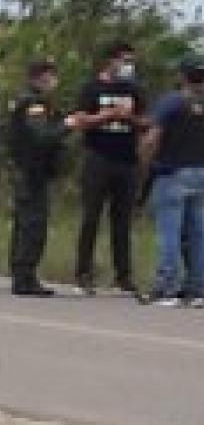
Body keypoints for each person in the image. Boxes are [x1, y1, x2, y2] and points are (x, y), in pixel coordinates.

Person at [69, 41, 146, 296]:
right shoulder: (92, 88)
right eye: (124, 61)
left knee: (122, 221)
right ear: (110, 61)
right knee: (91, 217)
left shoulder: (134, 90)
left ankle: (123, 276)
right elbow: (79, 120)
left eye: (131, 62)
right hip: (98, 158)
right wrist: (107, 115)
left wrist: (130, 118)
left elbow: (146, 122)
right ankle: (83, 273)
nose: (128, 66)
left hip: (127, 160)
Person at [138, 57, 204, 307]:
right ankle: (197, 287)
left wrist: (145, 164)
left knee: (169, 233)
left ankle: (168, 286)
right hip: (200, 172)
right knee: (198, 233)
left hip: (172, 172)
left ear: (182, 76)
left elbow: (151, 138)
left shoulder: (172, 102)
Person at [7, 60, 70, 297]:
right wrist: (67, 126)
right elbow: (42, 136)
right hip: (31, 171)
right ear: (39, 78)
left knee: (25, 223)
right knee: (33, 224)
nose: (53, 82)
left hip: (30, 170)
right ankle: (25, 276)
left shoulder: (34, 102)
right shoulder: (33, 103)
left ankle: (22, 273)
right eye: (50, 77)